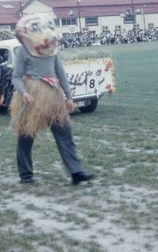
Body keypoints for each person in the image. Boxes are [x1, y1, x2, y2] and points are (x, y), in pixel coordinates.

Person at [10, 13, 95, 185]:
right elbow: (16, 76)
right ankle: (26, 174)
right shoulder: (23, 51)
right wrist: (23, 93)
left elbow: (60, 73)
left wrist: (69, 96)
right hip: (32, 97)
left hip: (53, 97)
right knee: (26, 135)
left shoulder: (52, 49)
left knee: (64, 132)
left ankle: (76, 172)